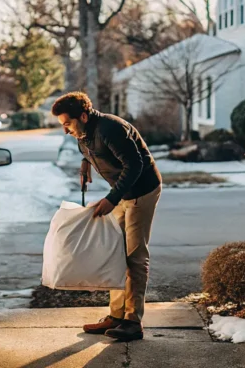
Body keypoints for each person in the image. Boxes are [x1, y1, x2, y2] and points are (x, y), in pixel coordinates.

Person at [51, 92, 163, 342]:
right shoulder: (85, 132)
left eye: (67, 124)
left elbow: (134, 165)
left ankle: (133, 322)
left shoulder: (111, 128)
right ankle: (116, 316)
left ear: (83, 115)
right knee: (115, 252)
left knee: (134, 257)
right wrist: (85, 163)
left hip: (141, 191)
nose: (66, 131)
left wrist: (112, 199)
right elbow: (91, 147)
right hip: (124, 193)